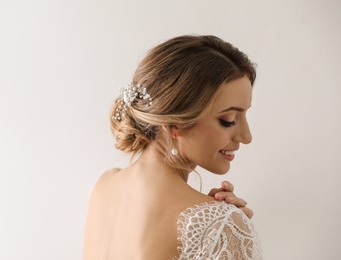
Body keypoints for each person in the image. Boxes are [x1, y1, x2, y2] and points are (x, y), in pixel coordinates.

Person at [83, 35, 262, 259]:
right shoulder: (217, 225)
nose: (246, 136)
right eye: (228, 120)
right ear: (174, 124)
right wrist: (225, 229)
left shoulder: (104, 186)